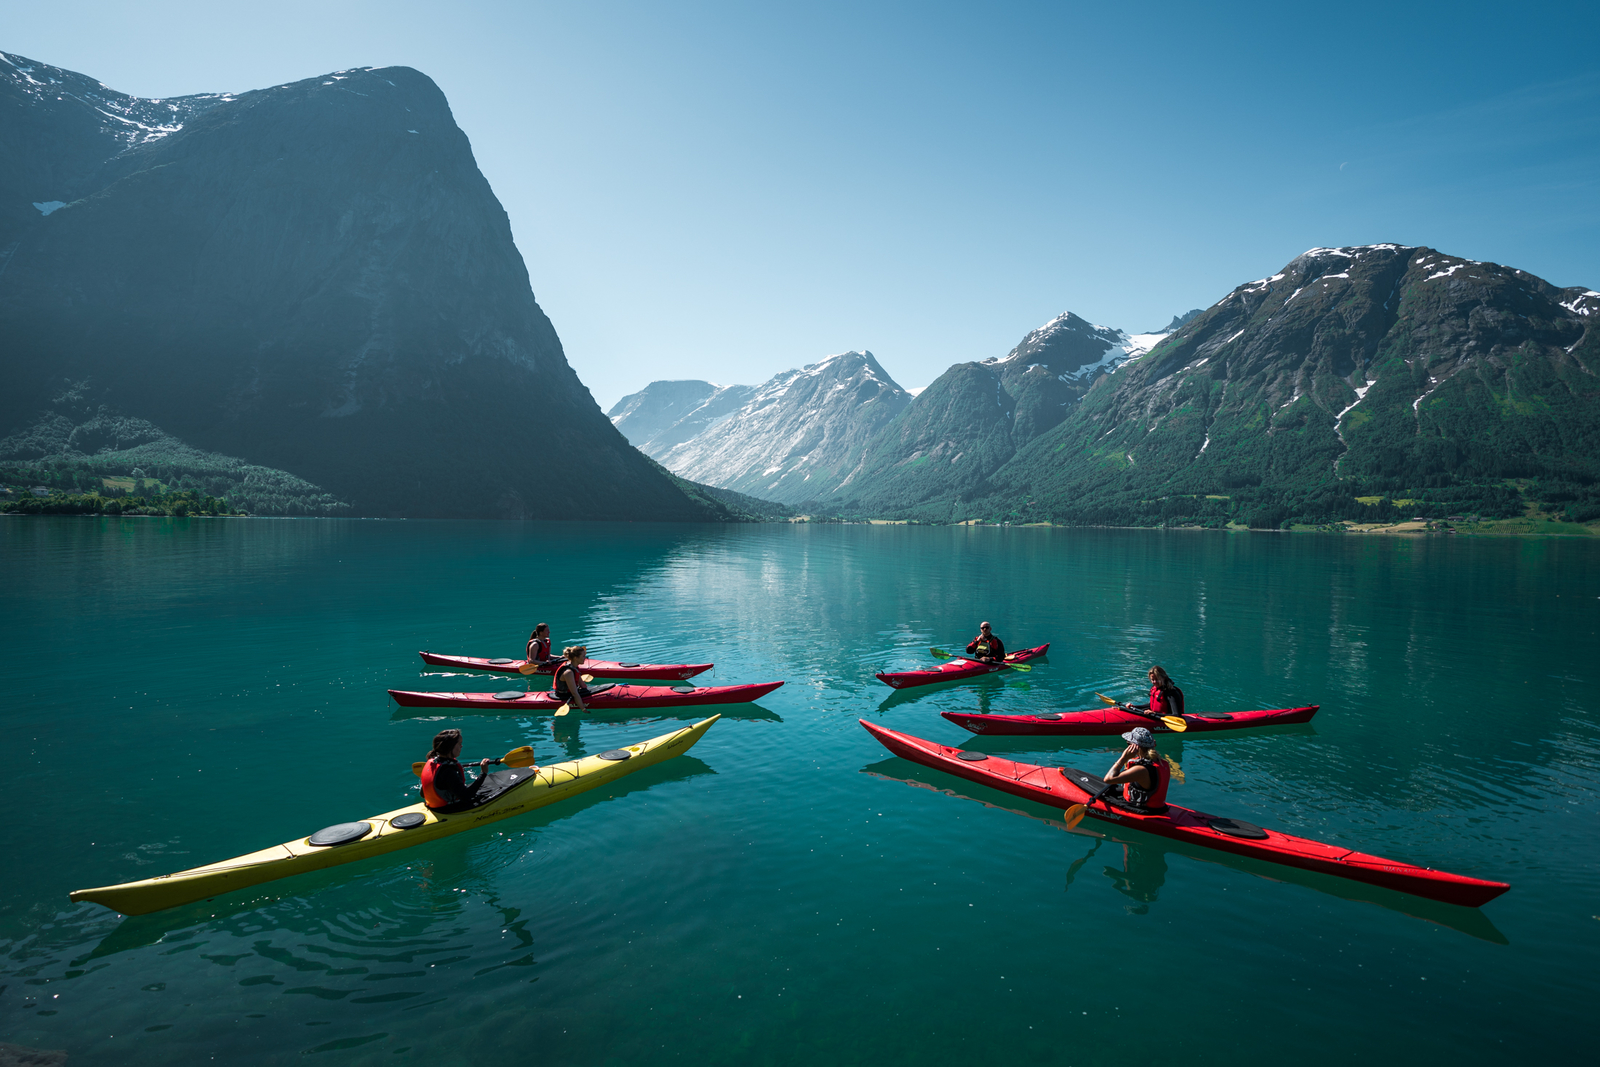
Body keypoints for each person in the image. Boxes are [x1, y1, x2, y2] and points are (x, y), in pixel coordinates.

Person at [420, 728, 494, 811]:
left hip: (433, 806)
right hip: (448, 810)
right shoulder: (448, 771)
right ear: (450, 747)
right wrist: (483, 773)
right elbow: (466, 796)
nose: (461, 746)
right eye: (459, 744)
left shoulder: (432, 762)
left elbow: (423, 794)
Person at [1101, 726, 1170, 811]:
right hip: (1158, 807)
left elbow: (1108, 779)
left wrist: (1123, 758)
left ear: (1135, 747)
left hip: (1142, 810)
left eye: (1128, 744)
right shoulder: (1162, 763)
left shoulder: (1140, 770)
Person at [551, 645, 591, 712]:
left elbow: (582, 685)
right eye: (583, 656)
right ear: (576, 658)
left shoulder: (575, 667)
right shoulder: (568, 672)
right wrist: (583, 709)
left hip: (572, 692)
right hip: (564, 695)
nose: (585, 658)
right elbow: (574, 693)